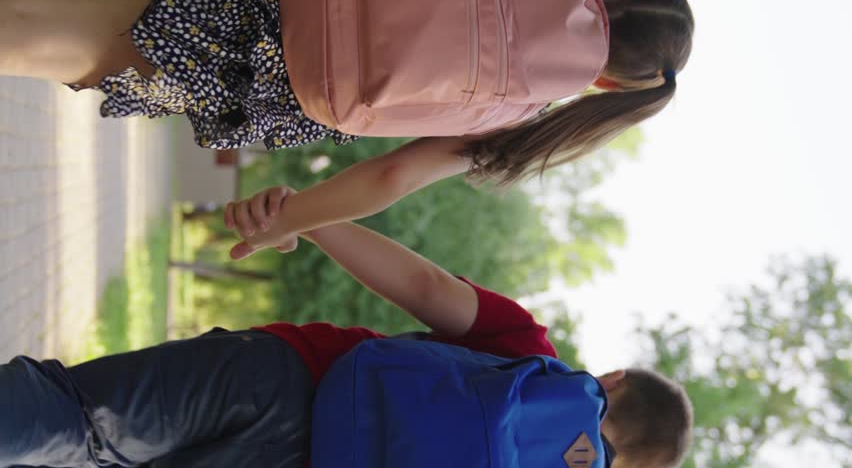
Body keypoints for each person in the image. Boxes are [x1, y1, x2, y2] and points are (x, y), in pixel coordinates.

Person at [0, 186, 693, 468]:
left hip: (290, 377)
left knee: (77, 418)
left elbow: (423, 287)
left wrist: (302, 217)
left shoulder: (527, 351)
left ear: (612, 381)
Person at [0, 0, 693, 183]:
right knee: (86, 44)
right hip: (277, 91)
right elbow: (391, 178)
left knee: (75, 16)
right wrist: (291, 221)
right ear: (609, 84)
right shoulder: (525, 118)